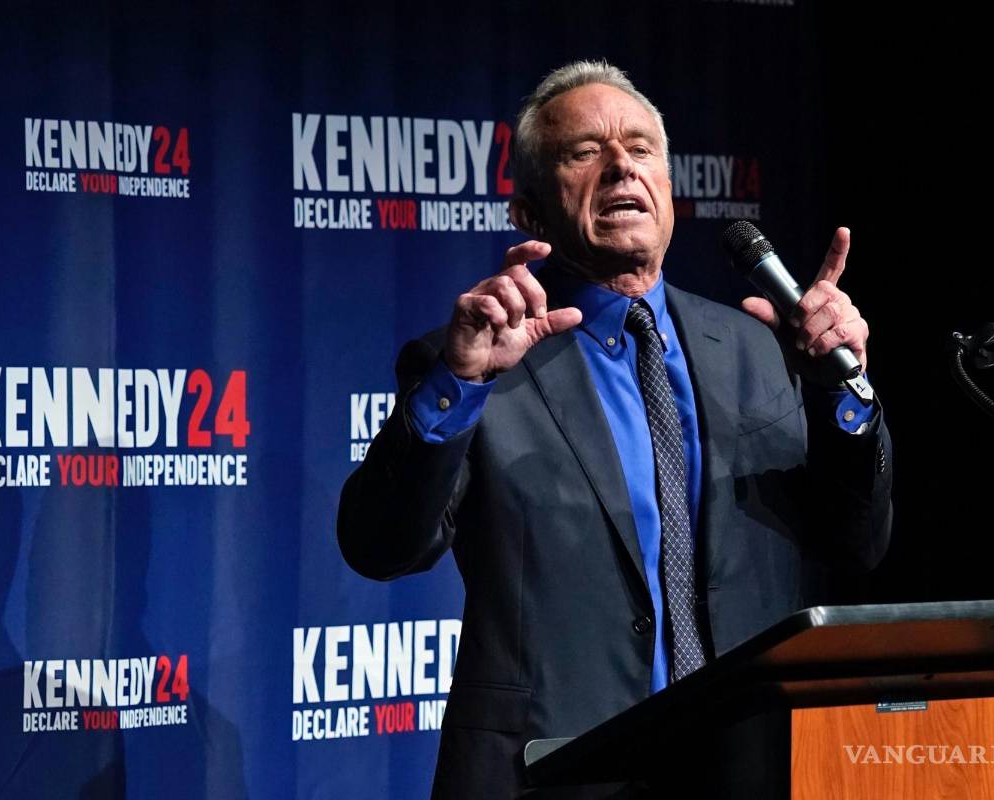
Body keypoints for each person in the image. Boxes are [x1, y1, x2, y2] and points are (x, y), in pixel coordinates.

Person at [337, 60, 892, 799]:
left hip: (747, 766)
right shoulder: (473, 360)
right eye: (583, 152)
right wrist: (461, 384)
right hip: (557, 773)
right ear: (530, 214)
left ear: (667, 187)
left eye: (640, 147)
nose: (621, 164)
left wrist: (843, 396)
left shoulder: (758, 346)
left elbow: (856, 542)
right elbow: (381, 547)